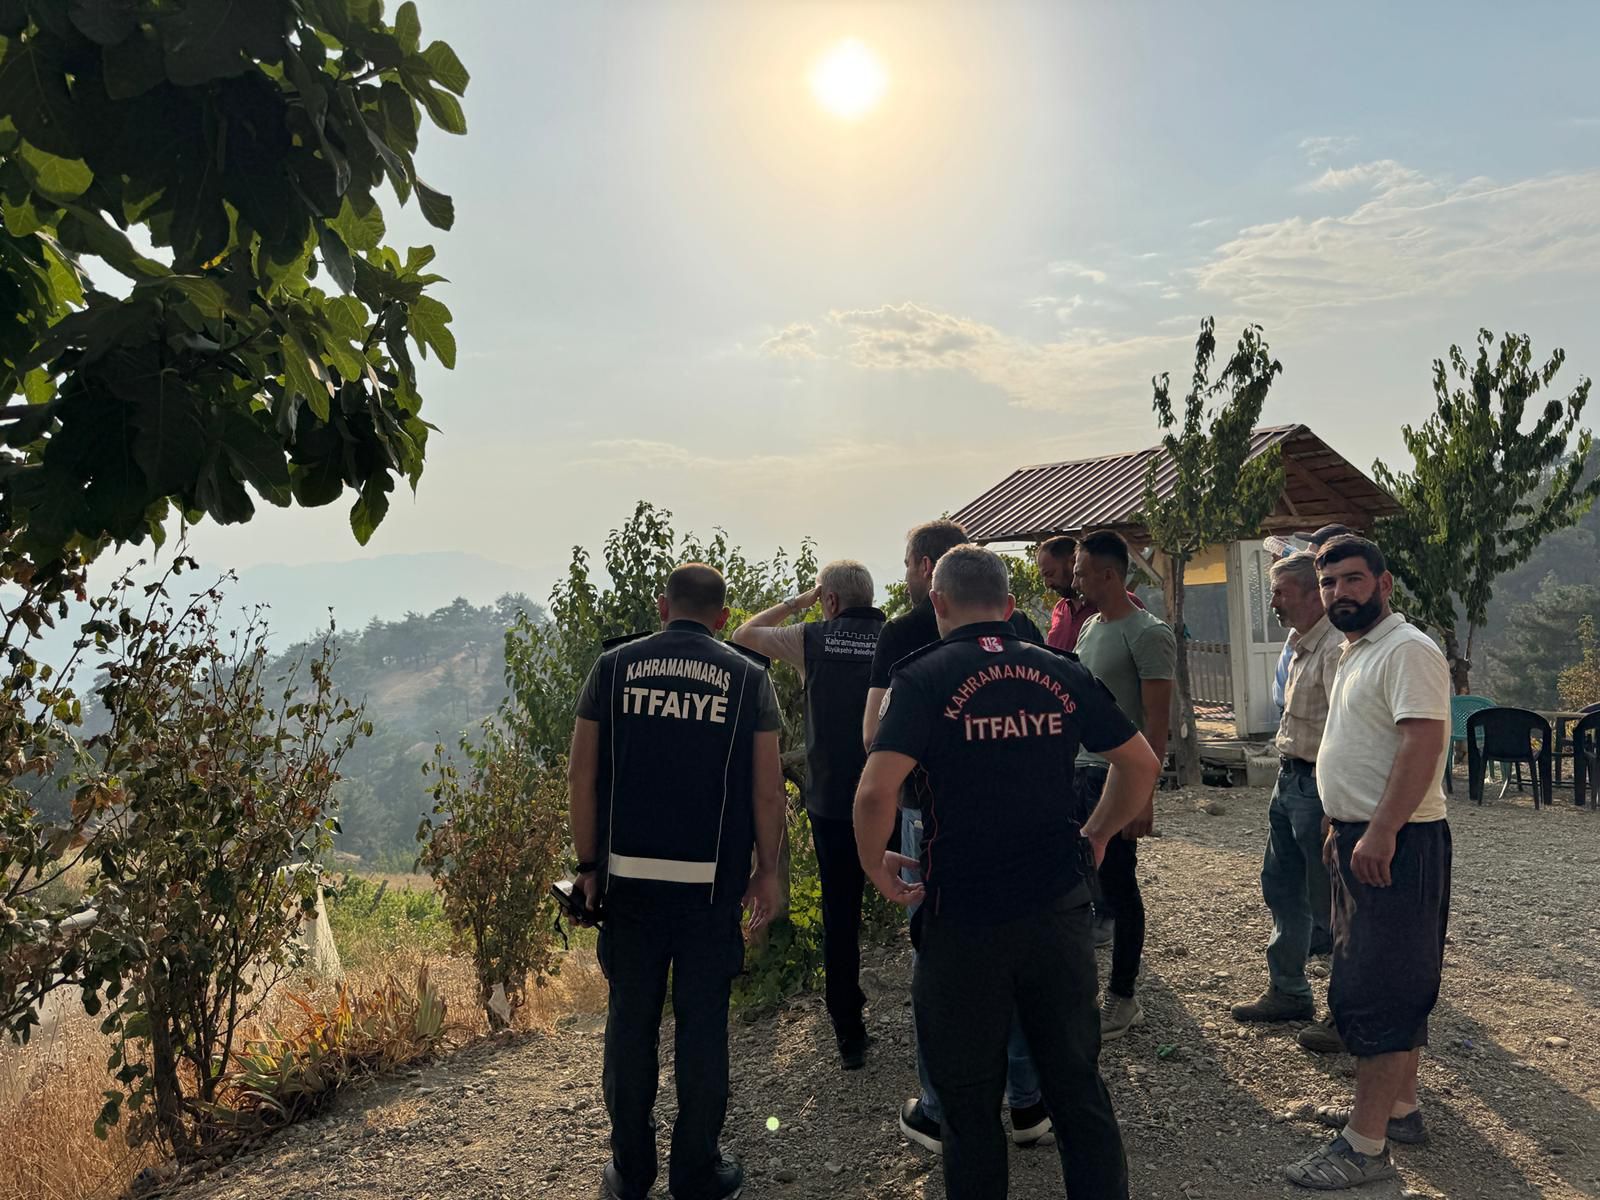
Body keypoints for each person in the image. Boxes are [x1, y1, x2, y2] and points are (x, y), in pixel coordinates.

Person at [854, 543, 1160, 1200]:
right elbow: (1140, 763)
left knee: (968, 1105)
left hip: (961, 916)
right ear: (1010, 604)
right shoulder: (1059, 668)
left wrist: (874, 863)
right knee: (1076, 1087)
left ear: (939, 602)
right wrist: (1098, 833)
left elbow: (875, 791)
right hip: (1057, 909)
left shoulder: (923, 677)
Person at [567, 563, 786, 1200]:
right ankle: (696, 1173)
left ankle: (630, 1172)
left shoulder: (612, 668)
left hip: (629, 886)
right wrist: (767, 873)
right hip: (711, 891)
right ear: (723, 618)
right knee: (703, 1028)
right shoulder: (749, 678)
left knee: (630, 1026)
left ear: (663, 608)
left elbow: (581, 776)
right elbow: (767, 792)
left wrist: (587, 867)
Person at [861, 519, 1053, 1154]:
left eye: (906, 564)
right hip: (1024, 815)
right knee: (1019, 949)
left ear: (926, 570)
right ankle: (1027, 1102)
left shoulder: (904, 633)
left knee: (939, 962)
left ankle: (939, 1110)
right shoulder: (1019, 627)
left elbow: (874, 737)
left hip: (934, 815)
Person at [1283, 536, 1451, 1191]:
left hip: (1398, 840)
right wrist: (1342, 821)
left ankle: (1365, 1146)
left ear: (1384, 584)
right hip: (1365, 834)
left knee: (1379, 988)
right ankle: (1398, 1109)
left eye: (1352, 579)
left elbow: (1422, 741)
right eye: (1329, 583)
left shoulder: (1407, 648)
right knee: (1392, 978)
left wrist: (1381, 830)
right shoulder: (1359, 649)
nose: (1338, 593)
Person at [732, 560, 887, 1069]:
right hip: (892, 796)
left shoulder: (812, 638)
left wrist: (798, 602)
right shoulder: (894, 638)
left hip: (832, 802)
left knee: (840, 913)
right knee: (922, 900)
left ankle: (849, 1034)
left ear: (830, 601)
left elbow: (744, 635)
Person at [1230, 552, 1342, 1027]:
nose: (1273, 602)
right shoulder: (1300, 643)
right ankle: (1289, 990)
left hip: (1318, 785)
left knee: (1331, 904)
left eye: (1280, 591)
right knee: (1281, 885)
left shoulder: (1334, 649)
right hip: (1290, 778)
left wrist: (1334, 803)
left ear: (1312, 594)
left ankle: (1347, 1010)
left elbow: (1344, 732)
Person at [1071, 530, 1174, 1040]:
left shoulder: (1148, 633)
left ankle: (1123, 996)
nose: (1075, 581)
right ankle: (1080, 993)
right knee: (1080, 886)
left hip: (1116, 776)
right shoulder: (1090, 627)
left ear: (1108, 575)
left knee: (1117, 888)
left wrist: (1144, 793)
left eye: (1081, 572)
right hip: (1078, 772)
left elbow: (1157, 721)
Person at [1271, 525, 1351, 715]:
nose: (1305, 554)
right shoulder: (1305, 629)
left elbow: (1339, 718)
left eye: (1313, 552)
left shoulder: (1335, 646)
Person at [1035, 535, 1144, 653]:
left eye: (1050, 574)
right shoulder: (1060, 610)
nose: (1047, 584)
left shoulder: (1123, 605)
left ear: (1073, 562)